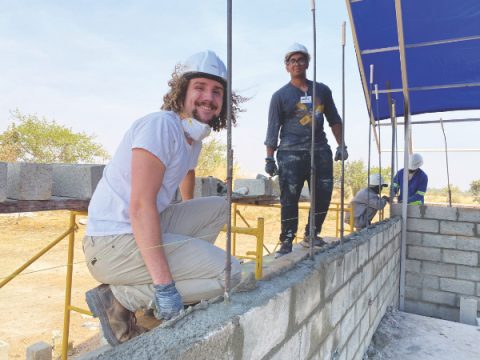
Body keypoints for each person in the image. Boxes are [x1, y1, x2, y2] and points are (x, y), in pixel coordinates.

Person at [83, 50, 242, 346]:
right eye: (200, 87)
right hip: (111, 242)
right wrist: (166, 284)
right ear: (181, 92)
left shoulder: (192, 138)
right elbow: (141, 205)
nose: (209, 97)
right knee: (231, 275)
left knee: (219, 207)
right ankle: (119, 296)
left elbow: (186, 175)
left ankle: (178, 281)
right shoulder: (161, 126)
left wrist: (189, 233)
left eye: (217, 91)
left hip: (132, 230)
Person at [264, 43, 348, 256]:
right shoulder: (280, 96)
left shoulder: (322, 90)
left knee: (323, 193)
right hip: (290, 152)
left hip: (320, 150)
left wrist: (341, 145)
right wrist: (269, 158)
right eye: (292, 61)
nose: (297, 64)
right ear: (287, 66)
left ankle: (312, 233)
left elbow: (334, 120)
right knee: (289, 197)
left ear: (307, 63)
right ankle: (287, 239)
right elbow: (273, 127)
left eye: (301, 60)